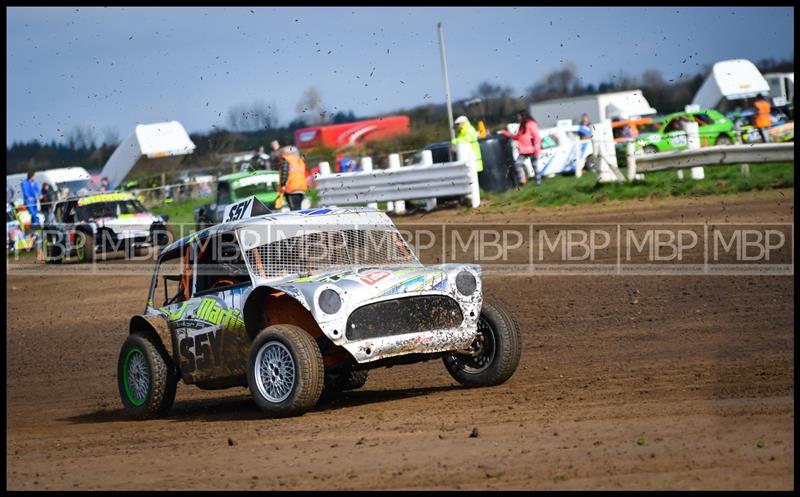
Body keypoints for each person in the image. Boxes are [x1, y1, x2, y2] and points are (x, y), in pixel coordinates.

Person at [502, 110, 542, 186]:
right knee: (518, 164)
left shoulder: (531, 124)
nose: (518, 118)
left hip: (533, 149)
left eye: (519, 116)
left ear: (523, 115)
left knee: (535, 166)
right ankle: (522, 179)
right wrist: (507, 134)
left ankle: (538, 182)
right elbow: (517, 136)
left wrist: (537, 148)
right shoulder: (522, 125)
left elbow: (536, 137)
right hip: (524, 150)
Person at [278, 147, 309, 211]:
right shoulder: (299, 160)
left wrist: (282, 184)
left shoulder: (286, 160)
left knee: (294, 210)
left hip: (291, 189)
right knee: (298, 208)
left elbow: (284, 173)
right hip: (301, 188)